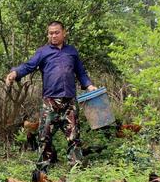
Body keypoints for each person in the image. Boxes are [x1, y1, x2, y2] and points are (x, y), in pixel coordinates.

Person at [5, 21, 97, 171]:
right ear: (48, 34)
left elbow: (81, 73)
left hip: (70, 102)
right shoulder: (43, 52)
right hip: (50, 101)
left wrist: (89, 85)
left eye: (56, 32)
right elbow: (29, 66)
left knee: (74, 137)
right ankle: (43, 168)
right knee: (44, 135)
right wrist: (15, 73)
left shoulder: (72, 52)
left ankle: (76, 168)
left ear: (64, 33)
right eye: (50, 33)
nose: (53, 35)